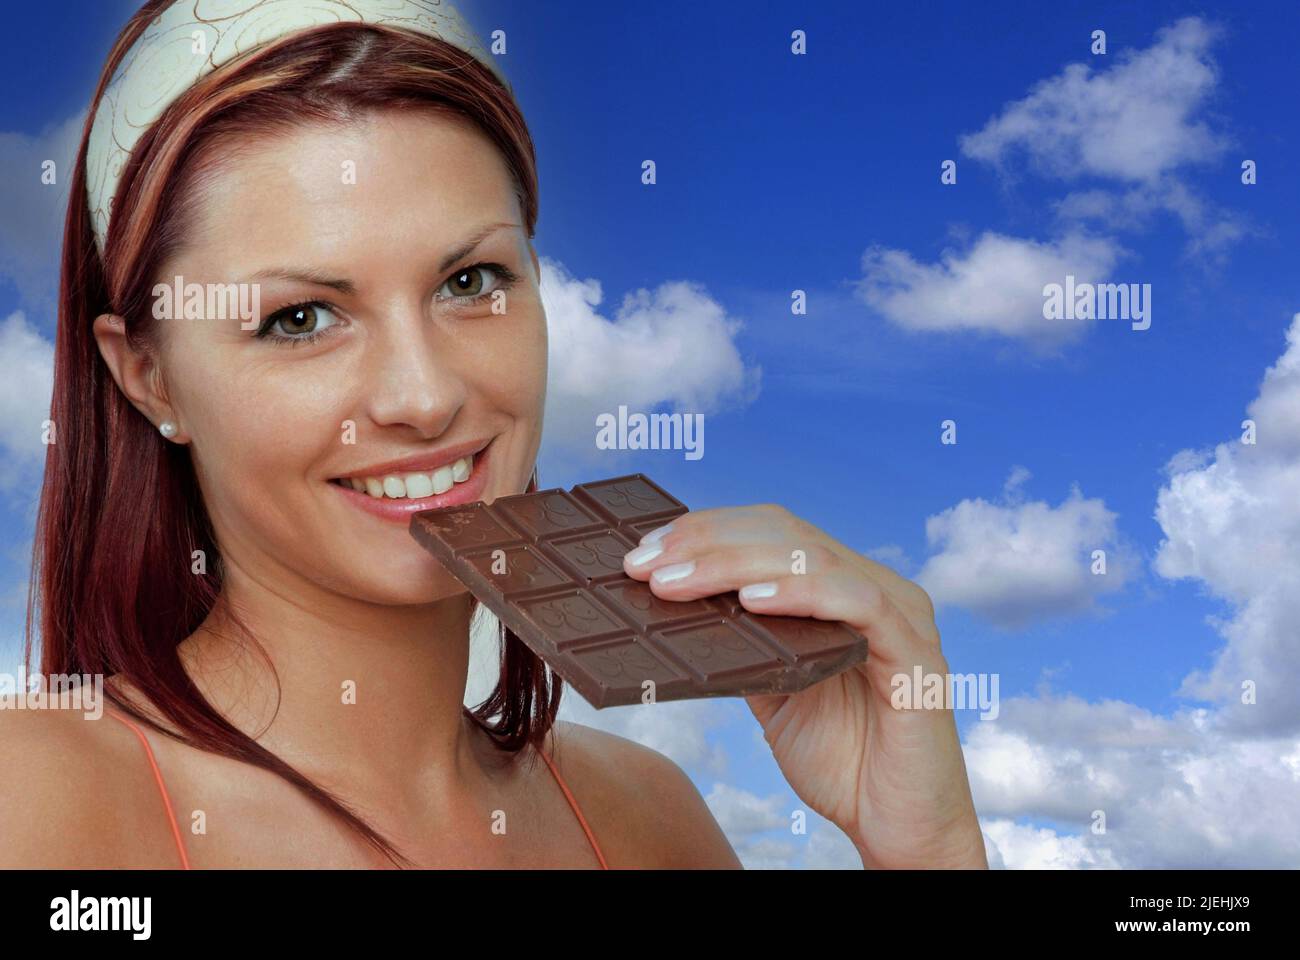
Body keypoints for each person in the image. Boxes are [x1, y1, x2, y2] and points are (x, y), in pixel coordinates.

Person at [0, 0, 986, 869]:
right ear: (148, 375)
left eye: (469, 283)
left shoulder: (650, 818)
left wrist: (924, 851)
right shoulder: (33, 802)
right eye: (299, 317)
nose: (423, 398)